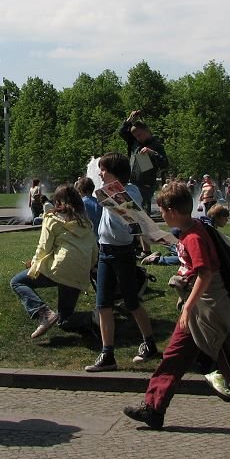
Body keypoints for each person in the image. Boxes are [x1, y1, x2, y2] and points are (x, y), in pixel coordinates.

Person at [122, 181, 230, 432]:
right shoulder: (191, 230)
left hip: (208, 308)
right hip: (198, 307)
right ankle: (153, 408)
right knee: (173, 356)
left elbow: (205, 273)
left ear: (172, 210)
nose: (160, 213)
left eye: (162, 209)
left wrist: (187, 305)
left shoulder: (194, 236)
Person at [85, 152, 158, 372]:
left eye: (104, 170)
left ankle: (150, 344)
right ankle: (107, 354)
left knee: (132, 302)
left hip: (123, 253)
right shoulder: (107, 192)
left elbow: (134, 218)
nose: (100, 173)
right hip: (105, 252)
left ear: (115, 173)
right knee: (103, 305)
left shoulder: (130, 191)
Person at [10, 184, 98, 339]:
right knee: (64, 320)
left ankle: (43, 313)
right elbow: (94, 249)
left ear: (57, 201)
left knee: (17, 282)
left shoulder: (52, 219)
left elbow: (43, 247)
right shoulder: (86, 222)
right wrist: (90, 267)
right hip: (80, 270)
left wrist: (34, 266)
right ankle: (95, 317)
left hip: (60, 267)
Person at [118, 110, 169, 214]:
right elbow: (122, 131)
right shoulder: (135, 142)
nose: (138, 138)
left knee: (143, 214)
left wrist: (152, 153)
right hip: (132, 182)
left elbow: (165, 164)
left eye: (140, 135)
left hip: (146, 186)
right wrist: (130, 119)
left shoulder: (156, 145)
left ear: (147, 130)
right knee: (130, 212)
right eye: (136, 136)